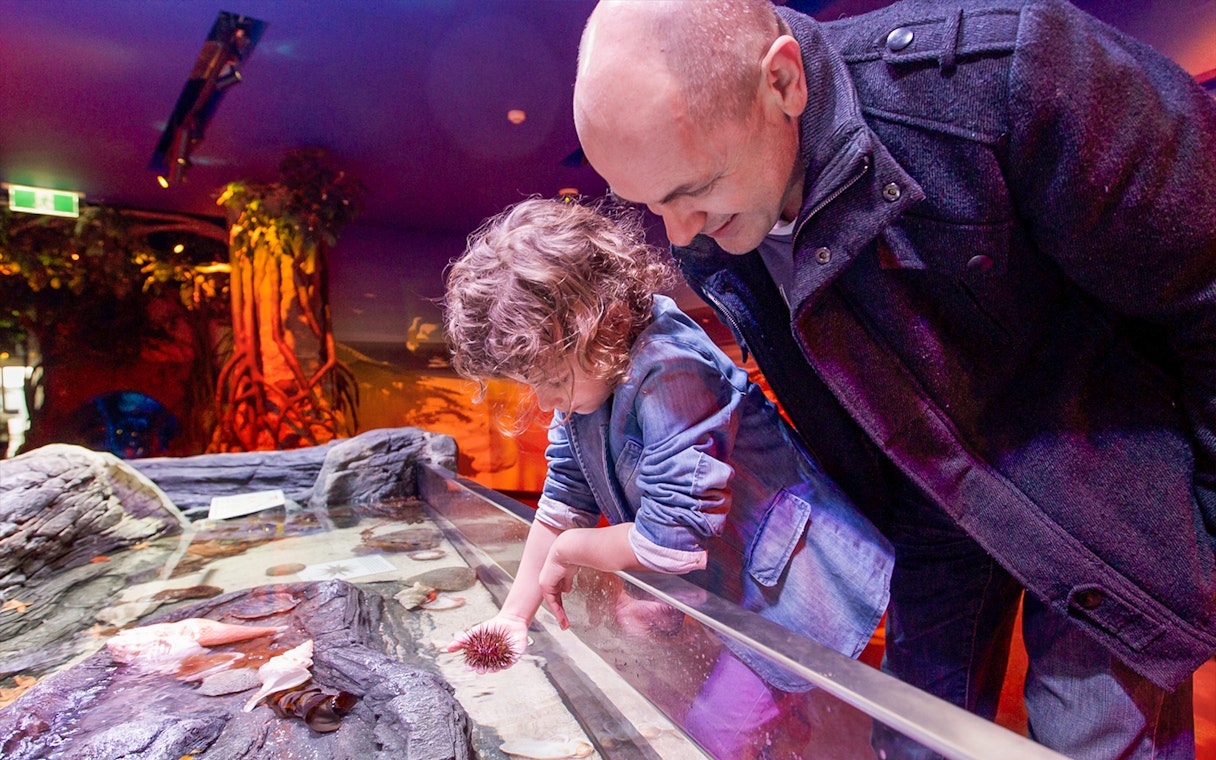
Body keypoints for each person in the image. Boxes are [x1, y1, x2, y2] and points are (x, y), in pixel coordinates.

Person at [572, 1, 1216, 758]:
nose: (680, 234)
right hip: (930, 503)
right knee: (911, 739)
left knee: (1090, 740)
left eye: (692, 191)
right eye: (653, 205)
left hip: (1100, 487)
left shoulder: (1008, 73)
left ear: (781, 82)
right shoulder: (714, 225)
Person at [443, 197, 893, 757]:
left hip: (793, 591)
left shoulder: (671, 367)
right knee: (770, 728)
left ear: (597, 326)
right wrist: (514, 616)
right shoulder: (589, 379)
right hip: (733, 585)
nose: (542, 399)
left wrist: (575, 551)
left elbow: (668, 536)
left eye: (552, 378)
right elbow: (564, 497)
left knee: (712, 735)